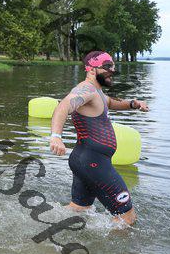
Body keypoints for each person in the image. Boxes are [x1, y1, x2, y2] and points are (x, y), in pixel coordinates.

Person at [50, 51, 149, 227]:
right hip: (93, 162)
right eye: (107, 66)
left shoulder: (97, 92)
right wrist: (56, 136)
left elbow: (110, 102)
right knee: (127, 217)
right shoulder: (86, 89)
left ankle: (44, 222)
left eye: (113, 66)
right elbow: (63, 106)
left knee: (79, 209)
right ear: (91, 69)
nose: (112, 70)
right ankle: (114, 249)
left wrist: (132, 104)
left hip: (85, 160)